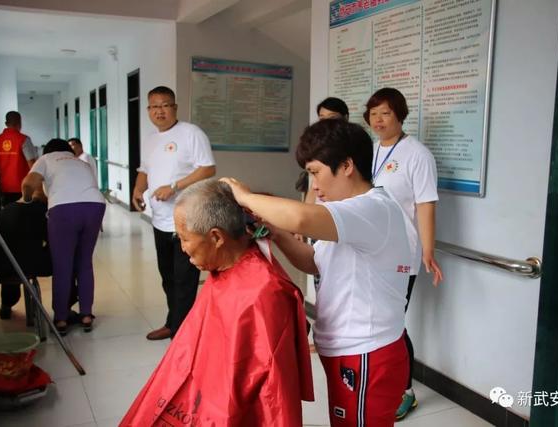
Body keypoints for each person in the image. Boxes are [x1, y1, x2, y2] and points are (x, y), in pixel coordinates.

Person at [222, 119, 412, 427]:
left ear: (347, 165)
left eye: (315, 172)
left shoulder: (372, 209)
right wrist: (274, 232)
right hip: (349, 351)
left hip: (367, 352)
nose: (315, 186)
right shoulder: (346, 213)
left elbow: (298, 217)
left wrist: (243, 197)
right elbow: (313, 261)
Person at [120, 179, 313, 426]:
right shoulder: (222, 269)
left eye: (184, 238)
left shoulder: (264, 292)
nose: (183, 249)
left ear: (216, 237)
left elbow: (273, 395)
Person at [363, 87, 443, 420]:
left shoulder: (417, 154)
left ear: (400, 115)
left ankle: (405, 390)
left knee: (394, 323)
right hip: (370, 249)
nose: (378, 120)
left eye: (385, 113)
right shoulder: (368, 151)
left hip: (400, 254)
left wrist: (427, 249)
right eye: (373, 114)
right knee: (375, 319)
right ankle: (381, 379)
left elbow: (425, 204)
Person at [132, 86, 216, 341]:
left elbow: (208, 168)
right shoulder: (150, 139)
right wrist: (137, 190)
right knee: (167, 277)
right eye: (154, 106)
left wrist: (175, 187)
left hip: (187, 220)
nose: (159, 110)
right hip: (160, 221)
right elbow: (145, 169)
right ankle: (174, 323)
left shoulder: (191, 133)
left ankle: (183, 334)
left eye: (165, 105)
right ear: (148, 110)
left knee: (184, 280)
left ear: (175, 108)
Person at [21, 138, 105, 335]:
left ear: (48, 150)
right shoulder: (80, 162)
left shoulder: (46, 159)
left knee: (62, 265)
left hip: (63, 210)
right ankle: (86, 314)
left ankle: (61, 318)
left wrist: (26, 199)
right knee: (84, 263)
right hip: (95, 206)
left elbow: (28, 183)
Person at [0, 189, 51, 320]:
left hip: (0, 264)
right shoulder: (43, 212)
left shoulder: (6, 209)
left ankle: (6, 306)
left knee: (12, 259)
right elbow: (52, 240)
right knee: (31, 258)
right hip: (29, 265)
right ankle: (62, 313)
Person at [297, 97, 350, 204]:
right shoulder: (316, 145)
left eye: (332, 117)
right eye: (322, 118)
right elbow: (313, 188)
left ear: (345, 118)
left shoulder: (353, 144)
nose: (326, 122)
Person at [0, 111, 38, 208]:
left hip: (5, 186)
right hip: (23, 187)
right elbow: (32, 164)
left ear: (6, 123)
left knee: (9, 212)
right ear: (20, 123)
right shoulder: (24, 139)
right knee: (23, 213)